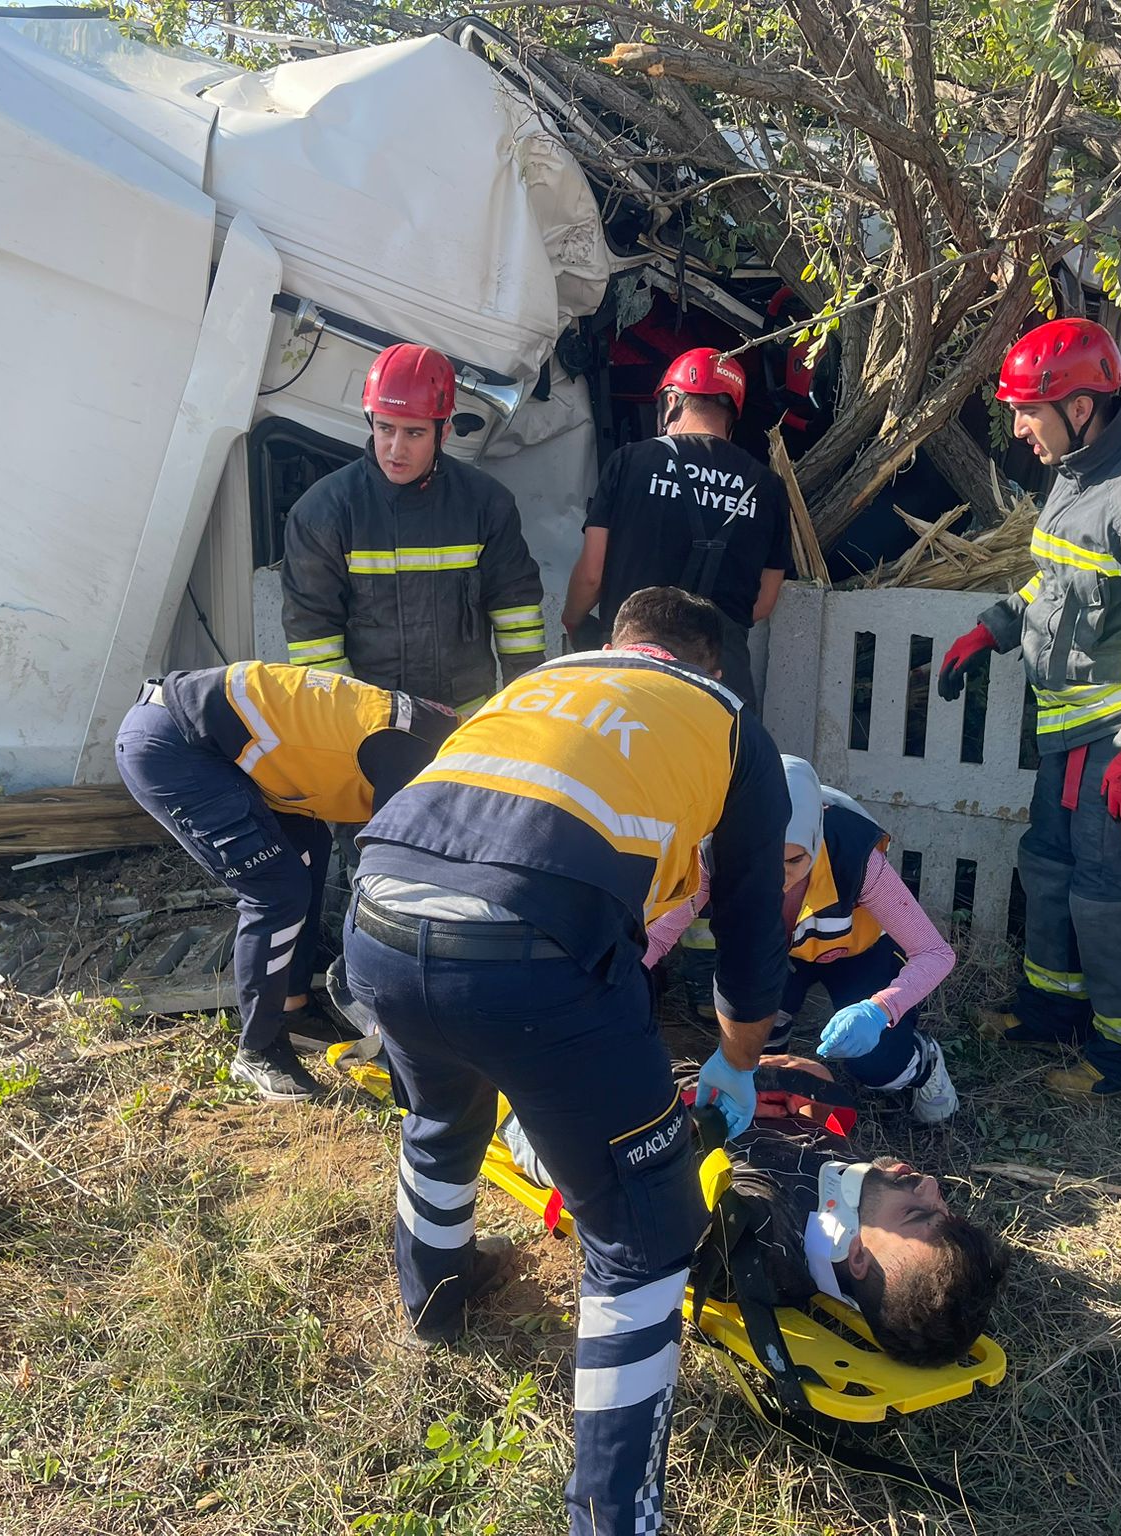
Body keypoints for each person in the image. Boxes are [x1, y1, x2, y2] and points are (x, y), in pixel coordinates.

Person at [344, 586, 789, 1535]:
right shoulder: (725, 719)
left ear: (622, 644)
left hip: (377, 915)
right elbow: (752, 915)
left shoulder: (543, 682)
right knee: (644, 1234)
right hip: (527, 953)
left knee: (442, 1118)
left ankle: (436, 1301)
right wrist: (738, 1061)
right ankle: (613, 1516)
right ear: (707, 665)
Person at [937, 317, 1121, 1100]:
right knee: (1052, 867)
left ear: (1084, 406)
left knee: (1111, 891)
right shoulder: (1075, 480)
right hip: (1073, 728)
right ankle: (1052, 1012)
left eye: (1029, 410)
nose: (1017, 427)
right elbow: (1063, 585)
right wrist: (996, 626)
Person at [499, 1056, 1008, 1369]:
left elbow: (629, 1162)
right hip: (639, 1085)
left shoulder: (747, 1239)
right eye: (943, 1207)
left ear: (856, 1257)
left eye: (916, 1215)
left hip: (579, 1129)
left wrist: (710, 1098)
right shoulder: (846, 1198)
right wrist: (796, 1088)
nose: (930, 1185)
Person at [114, 662, 455, 1100]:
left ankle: (292, 1009)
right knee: (277, 891)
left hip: (242, 749)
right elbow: (395, 886)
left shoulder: (449, 732)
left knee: (308, 856)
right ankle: (258, 1050)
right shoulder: (420, 767)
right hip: (174, 743)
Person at [644, 757, 961, 1123]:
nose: (772, 880)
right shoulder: (713, 854)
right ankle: (779, 1102)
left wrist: (880, 1009)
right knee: (752, 1048)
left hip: (857, 953)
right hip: (778, 953)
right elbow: (657, 936)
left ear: (815, 836)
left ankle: (923, 1062)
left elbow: (935, 953)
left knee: (878, 1065)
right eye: (754, 860)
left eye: (792, 860)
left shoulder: (854, 856)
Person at [281, 342, 547, 714]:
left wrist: (528, 708)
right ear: (370, 421)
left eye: (414, 433)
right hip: (371, 722)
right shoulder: (322, 513)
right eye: (385, 428)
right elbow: (313, 636)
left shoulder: (486, 503)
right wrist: (342, 720)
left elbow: (516, 612)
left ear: (444, 433)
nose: (395, 448)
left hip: (466, 719)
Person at [561, 347, 792, 711]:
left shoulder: (629, 462)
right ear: (732, 414)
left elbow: (592, 575)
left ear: (671, 401)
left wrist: (573, 621)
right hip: (720, 676)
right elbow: (763, 602)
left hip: (631, 666)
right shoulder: (768, 487)